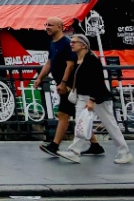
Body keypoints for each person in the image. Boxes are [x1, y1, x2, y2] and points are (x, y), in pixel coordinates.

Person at [35, 16, 101, 158]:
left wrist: (64, 83)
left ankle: (55, 145)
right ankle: (95, 145)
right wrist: (40, 78)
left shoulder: (66, 43)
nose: (47, 27)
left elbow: (70, 65)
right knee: (79, 115)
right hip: (63, 85)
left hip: (70, 86)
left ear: (60, 27)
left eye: (50, 25)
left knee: (63, 114)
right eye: (46, 24)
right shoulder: (52, 44)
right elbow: (49, 62)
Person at [63, 33, 132, 164]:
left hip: (97, 97)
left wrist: (92, 100)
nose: (71, 44)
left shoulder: (91, 60)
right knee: (80, 124)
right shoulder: (77, 59)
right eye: (71, 42)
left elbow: (97, 81)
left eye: (74, 42)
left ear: (83, 45)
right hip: (82, 96)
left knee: (109, 124)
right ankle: (74, 151)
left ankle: (124, 152)